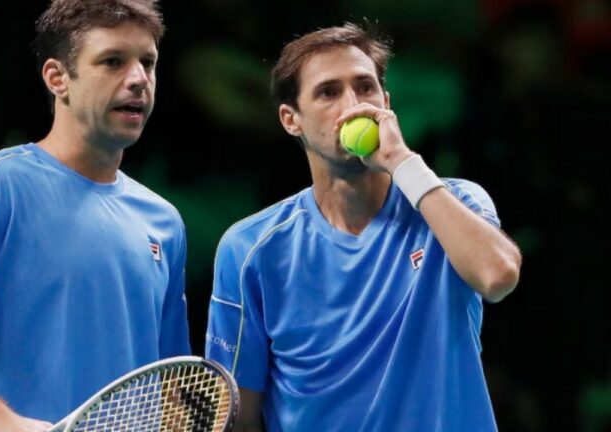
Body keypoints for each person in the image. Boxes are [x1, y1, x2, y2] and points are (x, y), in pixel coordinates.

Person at [0, 1, 191, 431]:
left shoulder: (164, 222)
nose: (139, 79)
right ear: (57, 78)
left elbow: (169, 386)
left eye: (148, 63)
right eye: (113, 61)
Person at [205, 23, 522, 431]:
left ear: (386, 103)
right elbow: (238, 418)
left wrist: (402, 161)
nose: (353, 105)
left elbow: (498, 276)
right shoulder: (250, 249)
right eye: (328, 92)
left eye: (365, 88)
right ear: (291, 120)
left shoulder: (453, 203)